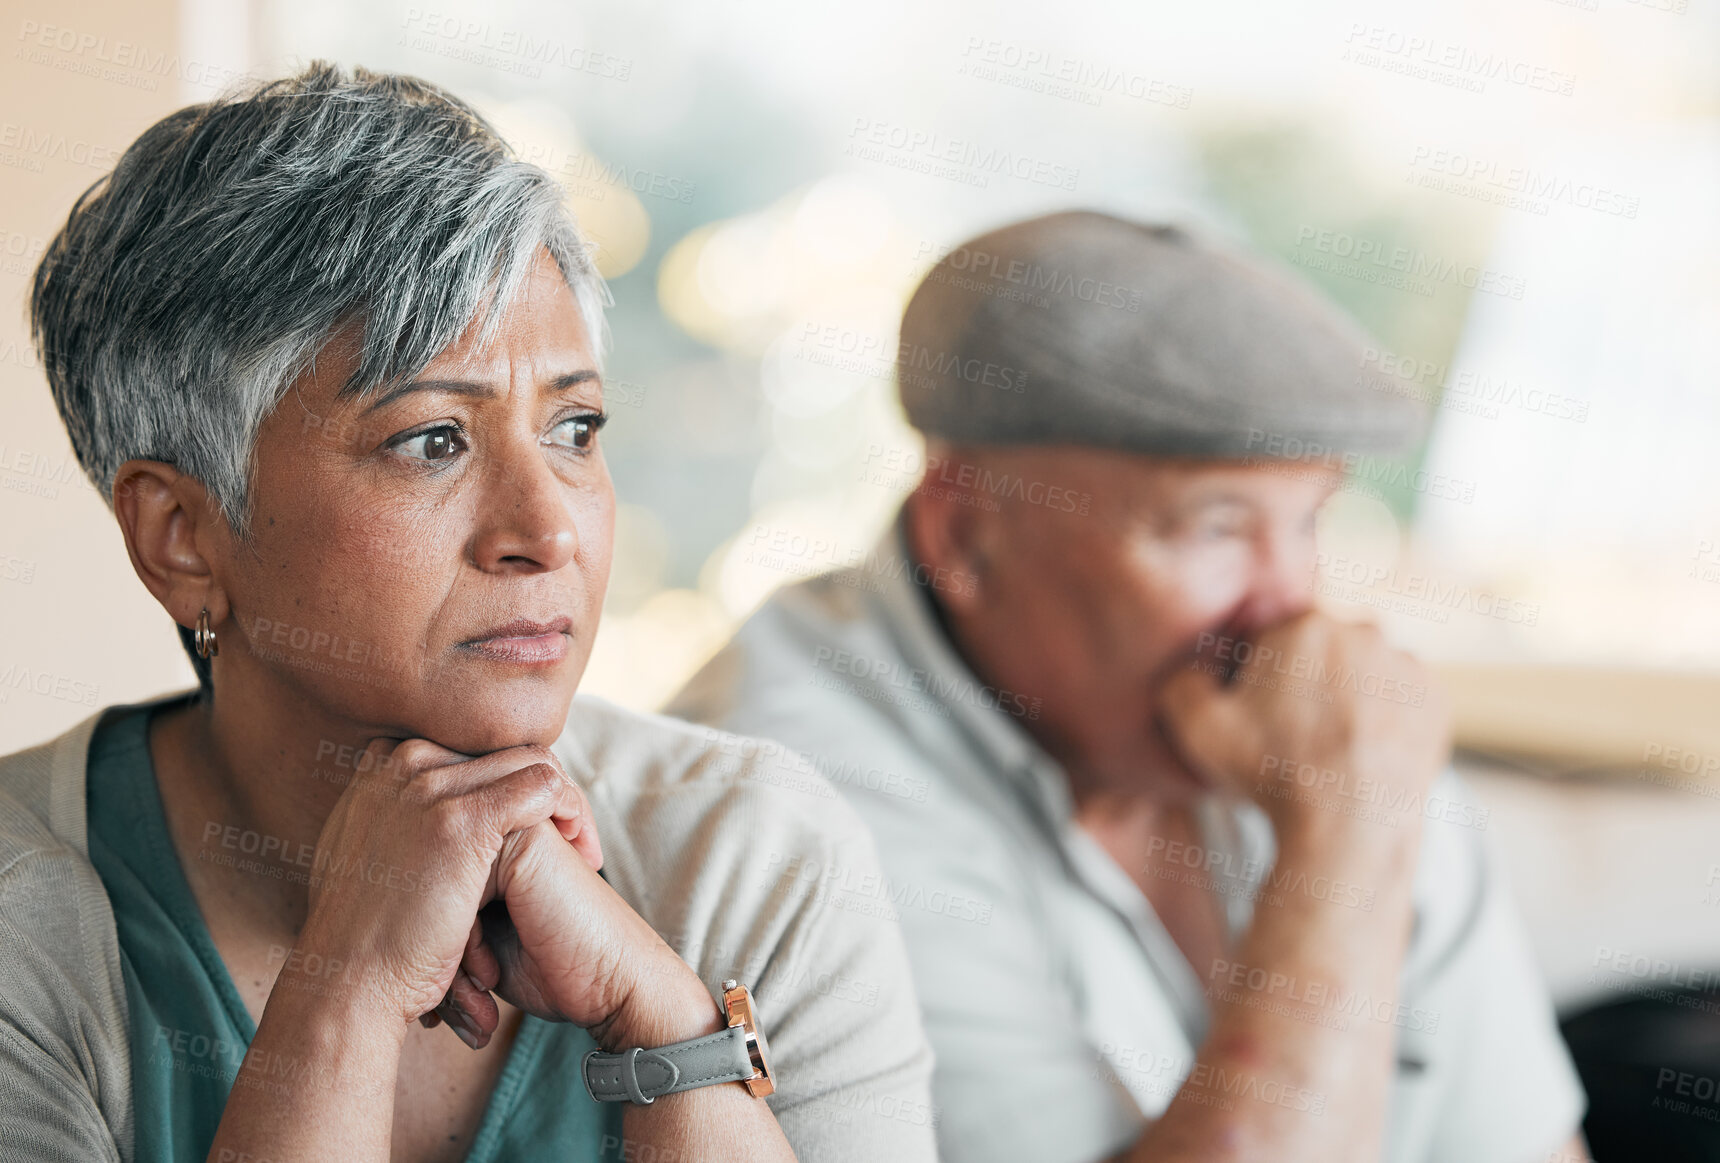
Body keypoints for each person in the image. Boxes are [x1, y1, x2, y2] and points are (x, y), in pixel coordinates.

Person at [0, 63, 935, 1163]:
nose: (550, 531)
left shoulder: (751, 856)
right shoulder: (31, 924)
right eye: (431, 439)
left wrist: (672, 1031)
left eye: (575, 428)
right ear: (183, 538)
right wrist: (346, 988)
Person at [669, 211, 1590, 1163]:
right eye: (1216, 528)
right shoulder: (784, 811)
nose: (1287, 609)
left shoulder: (1323, 724)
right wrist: (1346, 845)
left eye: (1311, 521)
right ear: (966, 533)